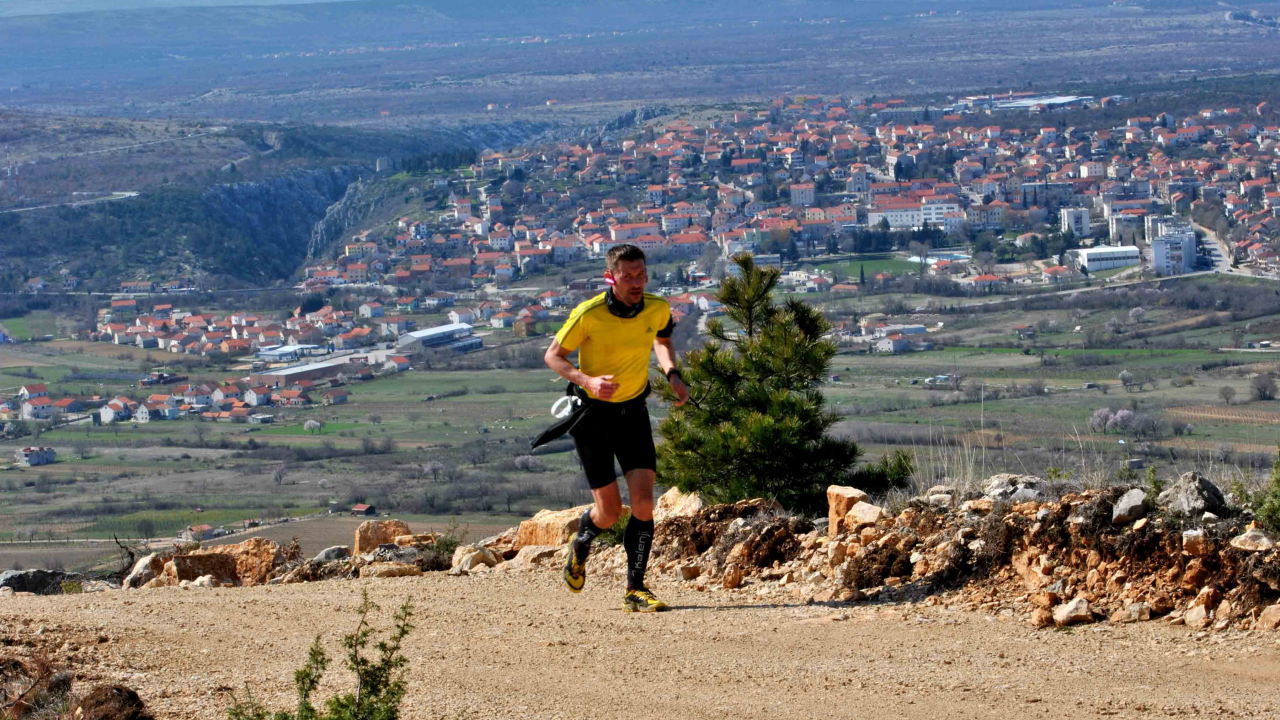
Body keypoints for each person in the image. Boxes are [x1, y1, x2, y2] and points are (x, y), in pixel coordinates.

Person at [544, 243, 690, 612]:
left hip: (633, 413)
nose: (637, 282)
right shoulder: (589, 313)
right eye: (628, 276)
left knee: (643, 503)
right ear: (611, 277)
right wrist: (587, 380)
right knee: (609, 513)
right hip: (592, 416)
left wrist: (672, 373)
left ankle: (635, 589)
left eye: (641, 274)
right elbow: (553, 356)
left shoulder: (657, 308)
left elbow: (662, 339)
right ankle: (583, 539)